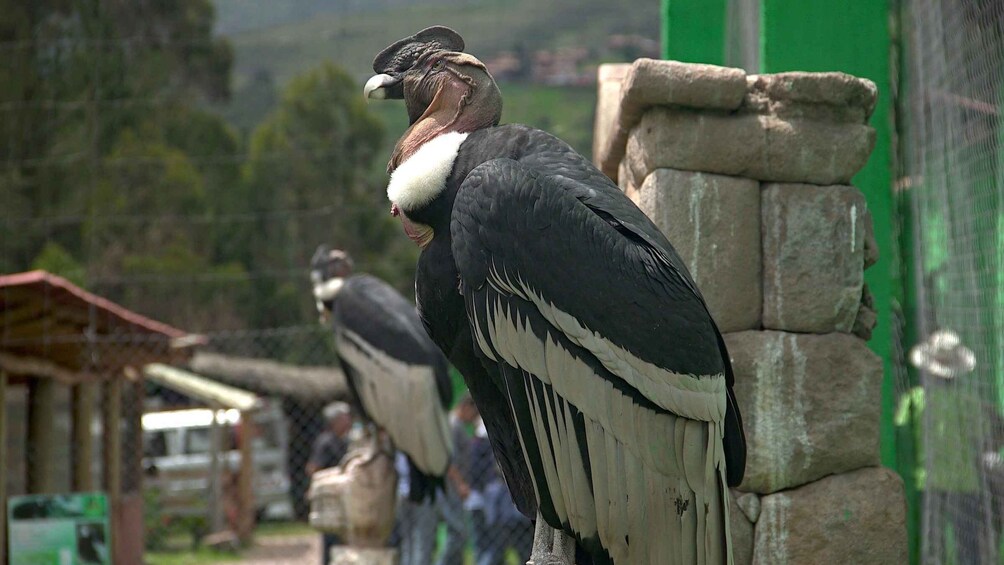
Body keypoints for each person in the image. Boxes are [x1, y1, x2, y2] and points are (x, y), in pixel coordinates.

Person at [307, 401, 354, 565]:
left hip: (345, 495)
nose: (349, 420)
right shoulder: (326, 442)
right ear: (336, 421)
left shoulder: (348, 441)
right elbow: (313, 468)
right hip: (331, 495)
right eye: (345, 417)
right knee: (331, 536)